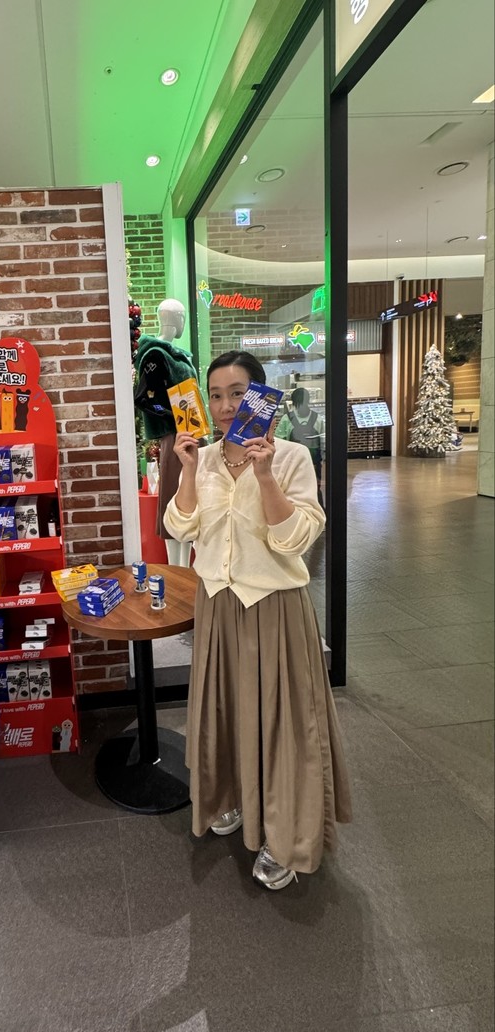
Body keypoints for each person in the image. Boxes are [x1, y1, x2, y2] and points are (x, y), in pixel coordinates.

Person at [164, 350, 351, 891]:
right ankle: (230, 795)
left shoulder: (291, 457)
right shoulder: (201, 457)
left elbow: (295, 539)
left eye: (238, 393)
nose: (226, 405)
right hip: (218, 606)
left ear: (263, 397)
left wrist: (265, 476)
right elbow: (180, 528)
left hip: (273, 607)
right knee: (225, 710)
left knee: (283, 723)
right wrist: (188, 470)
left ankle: (286, 837)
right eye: (216, 395)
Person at [134, 299, 200, 568]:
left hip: (191, 432)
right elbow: (144, 398)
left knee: (192, 497)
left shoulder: (176, 354)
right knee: (176, 497)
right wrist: (173, 416)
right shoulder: (155, 355)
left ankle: (185, 568)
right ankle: (176, 569)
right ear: (177, 319)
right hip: (176, 436)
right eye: (183, 316)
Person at [274, 387, 325, 508]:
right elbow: (323, 440)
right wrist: (323, 458)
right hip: (314, 461)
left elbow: (279, 441)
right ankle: (317, 511)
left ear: (293, 401)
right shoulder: (317, 418)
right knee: (315, 486)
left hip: (293, 462)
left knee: (293, 487)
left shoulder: (287, 418)